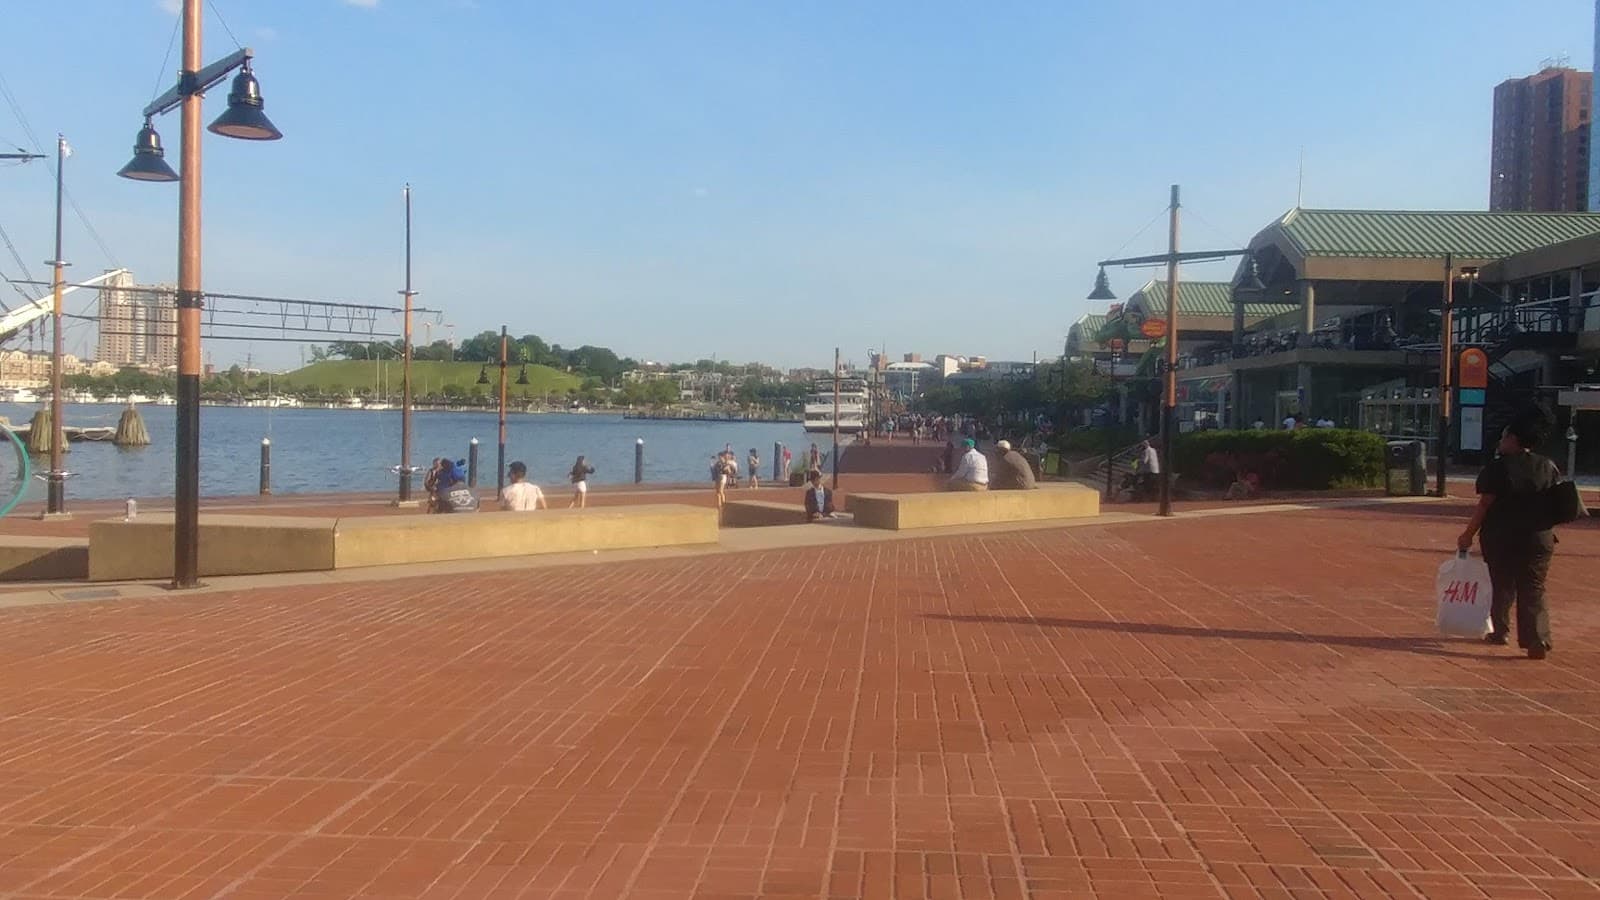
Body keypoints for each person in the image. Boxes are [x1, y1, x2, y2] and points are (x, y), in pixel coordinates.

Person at [1457, 410, 1560, 659]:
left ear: (1513, 439)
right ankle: (1537, 638)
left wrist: (1468, 534)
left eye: (1504, 437)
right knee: (1533, 586)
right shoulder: (1547, 466)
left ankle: (1500, 630)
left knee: (1501, 583)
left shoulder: (1498, 468)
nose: (1500, 442)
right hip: (1538, 537)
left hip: (1501, 536)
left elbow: (1485, 504)